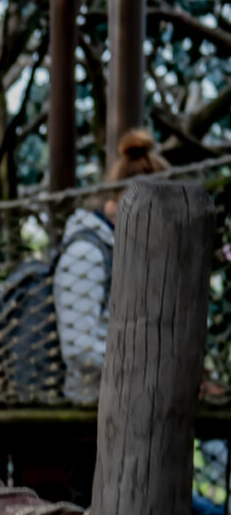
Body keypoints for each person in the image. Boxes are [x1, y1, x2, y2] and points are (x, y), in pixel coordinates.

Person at [55, 126, 166, 400]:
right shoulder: (85, 253)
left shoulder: (126, 249)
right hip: (89, 407)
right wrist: (146, 365)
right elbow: (77, 348)